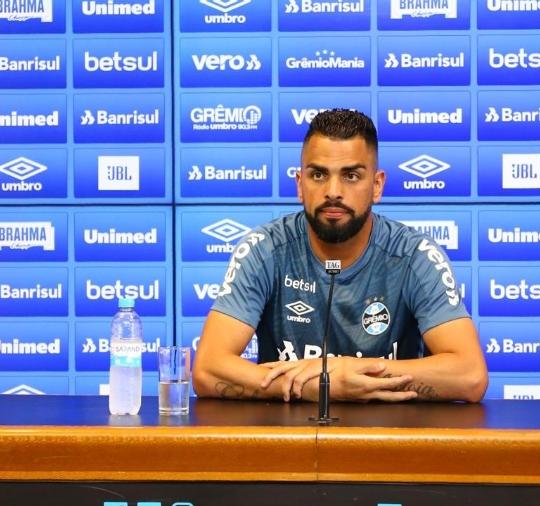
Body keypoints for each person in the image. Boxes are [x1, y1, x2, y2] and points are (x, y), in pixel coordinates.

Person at [193, 109, 488, 403]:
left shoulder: (413, 255)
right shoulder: (265, 248)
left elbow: (470, 376)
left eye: (351, 175)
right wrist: (316, 386)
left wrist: (351, 371)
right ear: (299, 184)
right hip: (289, 440)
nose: (333, 191)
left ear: (376, 186)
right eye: (318, 174)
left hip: (391, 440)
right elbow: (207, 370)